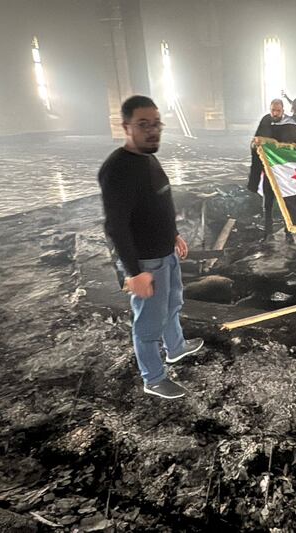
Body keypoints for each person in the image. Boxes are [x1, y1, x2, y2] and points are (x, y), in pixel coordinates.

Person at [98, 95, 204, 400]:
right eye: (143, 124)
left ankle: (176, 348)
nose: (152, 130)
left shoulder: (148, 157)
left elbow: (159, 202)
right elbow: (116, 226)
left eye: (156, 124)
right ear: (126, 127)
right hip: (145, 261)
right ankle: (153, 377)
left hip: (165, 252)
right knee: (147, 323)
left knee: (172, 304)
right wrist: (133, 272)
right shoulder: (117, 169)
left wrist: (173, 235)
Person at [248, 98, 296, 243]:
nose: (275, 113)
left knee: (288, 202)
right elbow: (256, 139)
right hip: (270, 169)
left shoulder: (291, 124)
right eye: (273, 110)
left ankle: (289, 232)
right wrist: (255, 145)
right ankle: (268, 233)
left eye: (278, 111)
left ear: (283, 110)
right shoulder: (266, 120)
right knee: (267, 201)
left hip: (286, 171)